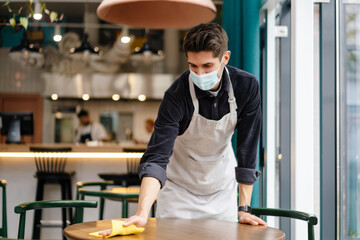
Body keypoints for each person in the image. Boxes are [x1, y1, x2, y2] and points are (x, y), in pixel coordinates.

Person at [100, 22, 265, 236]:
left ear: (225, 58)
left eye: (207, 66)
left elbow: (248, 148)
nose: (199, 74)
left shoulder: (246, 87)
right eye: (193, 66)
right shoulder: (176, 95)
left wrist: (243, 209)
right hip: (179, 192)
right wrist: (142, 213)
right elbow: (156, 158)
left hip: (221, 190)